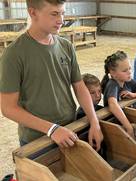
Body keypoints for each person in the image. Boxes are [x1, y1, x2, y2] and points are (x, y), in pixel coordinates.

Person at [0, 0, 103, 151]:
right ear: (33, 12)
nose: (61, 20)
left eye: (63, 13)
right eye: (54, 14)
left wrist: (94, 121)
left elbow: (80, 87)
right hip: (37, 138)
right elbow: (8, 108)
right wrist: (52, 129)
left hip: (70, 128)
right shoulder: (14, 54)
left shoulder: (66, 47)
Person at [101, 50, 136, 139]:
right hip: (115, 125)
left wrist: (134, 95)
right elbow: (112, 105)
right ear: (113, 73)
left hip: (126, 120)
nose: (129, 72)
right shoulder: (112, 84)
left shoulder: (129, 81)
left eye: (130, 68)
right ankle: (132, 127)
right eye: (124, 70)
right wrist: (128, 127)